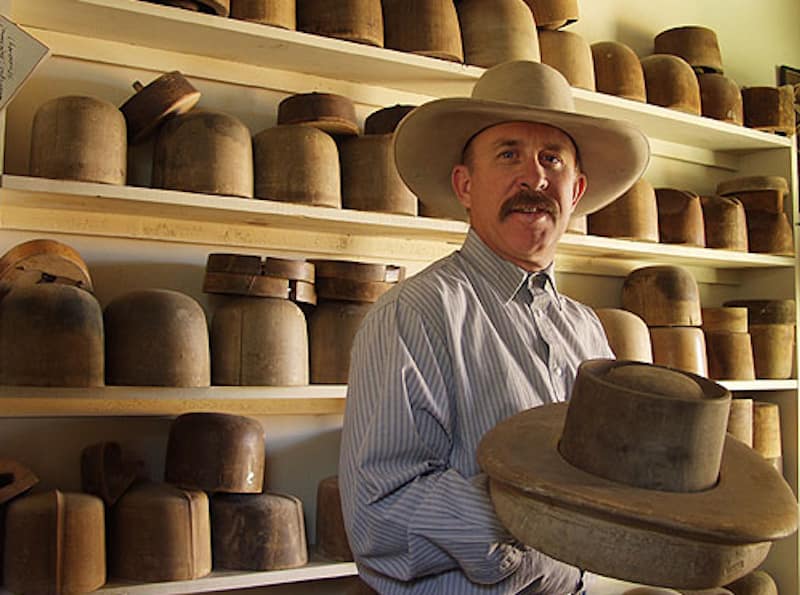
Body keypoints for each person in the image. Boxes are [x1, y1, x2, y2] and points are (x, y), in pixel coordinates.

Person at [339, 61, 650, 594]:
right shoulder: (414, 316)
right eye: (509, 155)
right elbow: (382, 511)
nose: (534, 178)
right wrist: (546, 524)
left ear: (574, 192)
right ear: (465, 184)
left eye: (552, 159)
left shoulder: (586, 331)